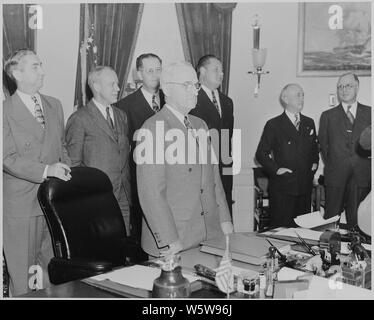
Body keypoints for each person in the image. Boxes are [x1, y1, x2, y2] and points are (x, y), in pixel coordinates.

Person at [136, 61, 233, 258]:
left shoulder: (200, 125)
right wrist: (170, 239)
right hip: (176, 239)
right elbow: (151, 192)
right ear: (167, 89)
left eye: (195, 85)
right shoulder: (153, 127)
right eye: (186, 85)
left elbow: (213, 177)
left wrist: (224, 219)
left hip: (208, 234)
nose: (194, 91)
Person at [3, 49, 71, 296]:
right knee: (24, 277)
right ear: (16, 73)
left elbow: (62, 149)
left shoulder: (55, 105)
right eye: (35, 66)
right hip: (22, 206)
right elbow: (6, 158)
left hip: (53, 204)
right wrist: (46, 170)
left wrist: (68, 178)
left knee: (50, 272)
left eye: (41, 64)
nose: (42, 70)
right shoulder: (5, 111)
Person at [65, 66, 131, 234]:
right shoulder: (79, 119)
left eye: (117, 84)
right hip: (95, 198)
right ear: (96, 86)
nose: (118, 88)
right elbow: (73, 165)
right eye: (112, 84)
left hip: (123, 195)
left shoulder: (122, 116)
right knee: (101, 249)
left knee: (123, 247)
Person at [116, 53, 164, 244]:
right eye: (150, 71)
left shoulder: (171, 101)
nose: (155, 75)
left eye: (158, 70)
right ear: (139, 74)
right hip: (140, 182)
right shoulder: (124, 107)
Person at [256, 84, 319, 228]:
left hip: (304, 188)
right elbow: (261, 153)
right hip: (283, 188)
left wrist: (313, 167)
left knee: (303, 232)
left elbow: (315, 150)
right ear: (285, 98)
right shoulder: (274, 124)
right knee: (281, 231)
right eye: (298, 95)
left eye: (302, 95)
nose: (301, 98)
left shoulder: (309, 123)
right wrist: (277, 170)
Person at [318, 73, 371, 229]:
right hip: (335, 175)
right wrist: (337, 164)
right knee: (330, 221)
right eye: (340, 86)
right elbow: (324, 146)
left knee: (358, 222)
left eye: (348, 85)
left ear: (357, 87)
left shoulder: (370, 113)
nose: (344, 89)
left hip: (361, 175)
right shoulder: (328, 116)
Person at [189, 55, 234, 215]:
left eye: (222, 71)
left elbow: (229, 139)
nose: (221, 74)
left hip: (225, 171)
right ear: (202, 71)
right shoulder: (191, 98)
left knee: (225, 215)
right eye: (216, 70)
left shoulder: (227, 102)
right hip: (201, 171)